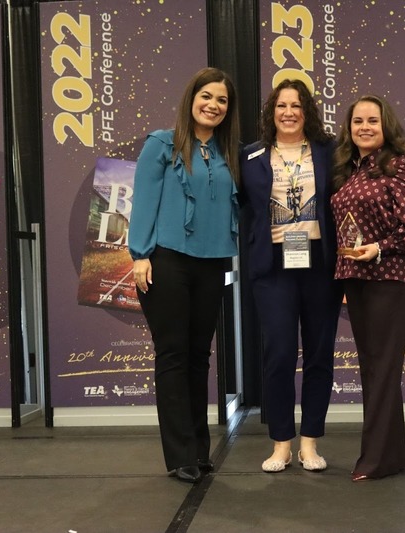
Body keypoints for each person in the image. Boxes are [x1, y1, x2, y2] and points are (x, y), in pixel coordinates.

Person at [129, 67, 240, 483]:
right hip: (166, 261)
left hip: (212, 263)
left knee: (199, 357)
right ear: (191, 99)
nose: (213, 105)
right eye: (206, 96)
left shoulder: (230, 152)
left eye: (222, 100)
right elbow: (143, 201)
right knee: (173, 355)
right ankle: (179, 456)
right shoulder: (162, 143)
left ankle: (198, 449)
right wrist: (140, 255)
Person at [330, 95, 405, 481]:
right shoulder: (352, 170)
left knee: (382, 367)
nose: (364, 127)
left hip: (389, 279)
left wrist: (378, 248)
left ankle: (373, 460)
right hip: (357, 279)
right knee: (375, 369)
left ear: (386, 125)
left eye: (372, 120)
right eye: (357, 121)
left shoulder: (399, 167)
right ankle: (390, 458)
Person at [240, 79, 343, 473]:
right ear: (272, 111)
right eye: (282, 105)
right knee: (280, 353)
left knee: (319, 355)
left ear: (307, 112)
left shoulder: (330, 152)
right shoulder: (250, 156)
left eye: (297, 105)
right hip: (272, 267)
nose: (289, 112)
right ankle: (282, 442)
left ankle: (310, 442)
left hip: (320, 265)